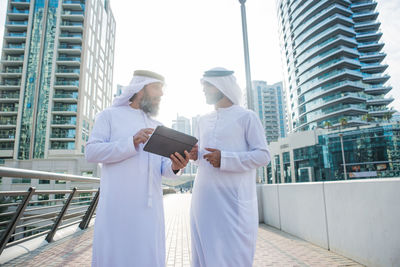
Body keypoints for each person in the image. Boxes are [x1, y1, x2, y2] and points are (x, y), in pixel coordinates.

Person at [85, 70, 190, 267]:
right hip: (118, 209)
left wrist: (176, 166)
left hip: (150, 211)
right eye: (157, 88)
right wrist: (131, 142)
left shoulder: (158, 126)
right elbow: (91, 152)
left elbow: (164, 169)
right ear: (141, 88)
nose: (161, 94)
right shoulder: (109, 116)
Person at [189, 67, 271, 267]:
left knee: (232, 255)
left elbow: (263, 155)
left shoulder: (246, 117)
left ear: (220, 86)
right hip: (203, 198)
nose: (204, 90)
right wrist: (194, 156)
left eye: (207, 86)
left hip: (234, 201)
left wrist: (225, 159)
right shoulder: (202, 120)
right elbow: (203, 158)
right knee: (204, 254)